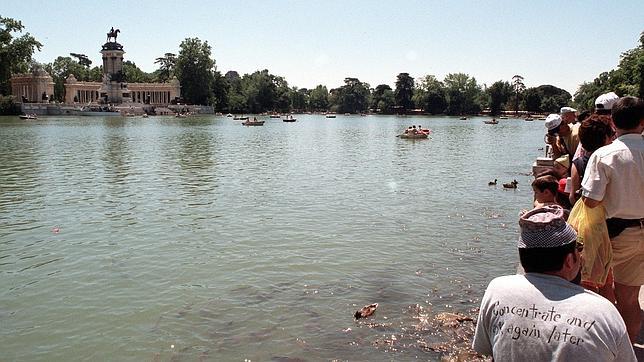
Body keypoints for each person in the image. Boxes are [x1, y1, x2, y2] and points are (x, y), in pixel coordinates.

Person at [473, 206, 635, 361]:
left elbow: (486, 349)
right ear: (570, 260)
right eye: (579, 248)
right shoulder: (603, 312)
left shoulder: (498, 289)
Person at [581, 96, 644, 343]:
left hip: (615, 236)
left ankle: (607, 346)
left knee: (604, 294)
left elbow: (591, 201)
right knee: (630, 299)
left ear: (613, 122)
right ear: (642, 122)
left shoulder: (604, 155)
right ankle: (626, 349)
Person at [568, 115, 615, 206]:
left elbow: (572, 197)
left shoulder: (578, 163)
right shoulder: (613, 159)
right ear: (605, 138)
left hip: (590, 216)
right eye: (612, 134)